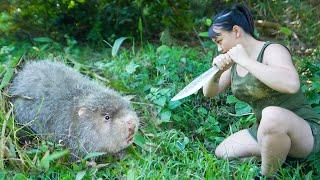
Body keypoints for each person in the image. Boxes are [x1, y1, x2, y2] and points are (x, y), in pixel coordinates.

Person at [203, 3, 320, 177]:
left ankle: (267, 175)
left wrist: (246, 61)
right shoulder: (235, 61)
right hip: (264, 129)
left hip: (305, 131)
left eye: (220, 41)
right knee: (224, 151)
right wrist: (217, 72)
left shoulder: (272, 50)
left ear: (236, 31)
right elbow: (209, 92)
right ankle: (278, 152)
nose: (219, 48)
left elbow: (291, 84)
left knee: (272, 115)